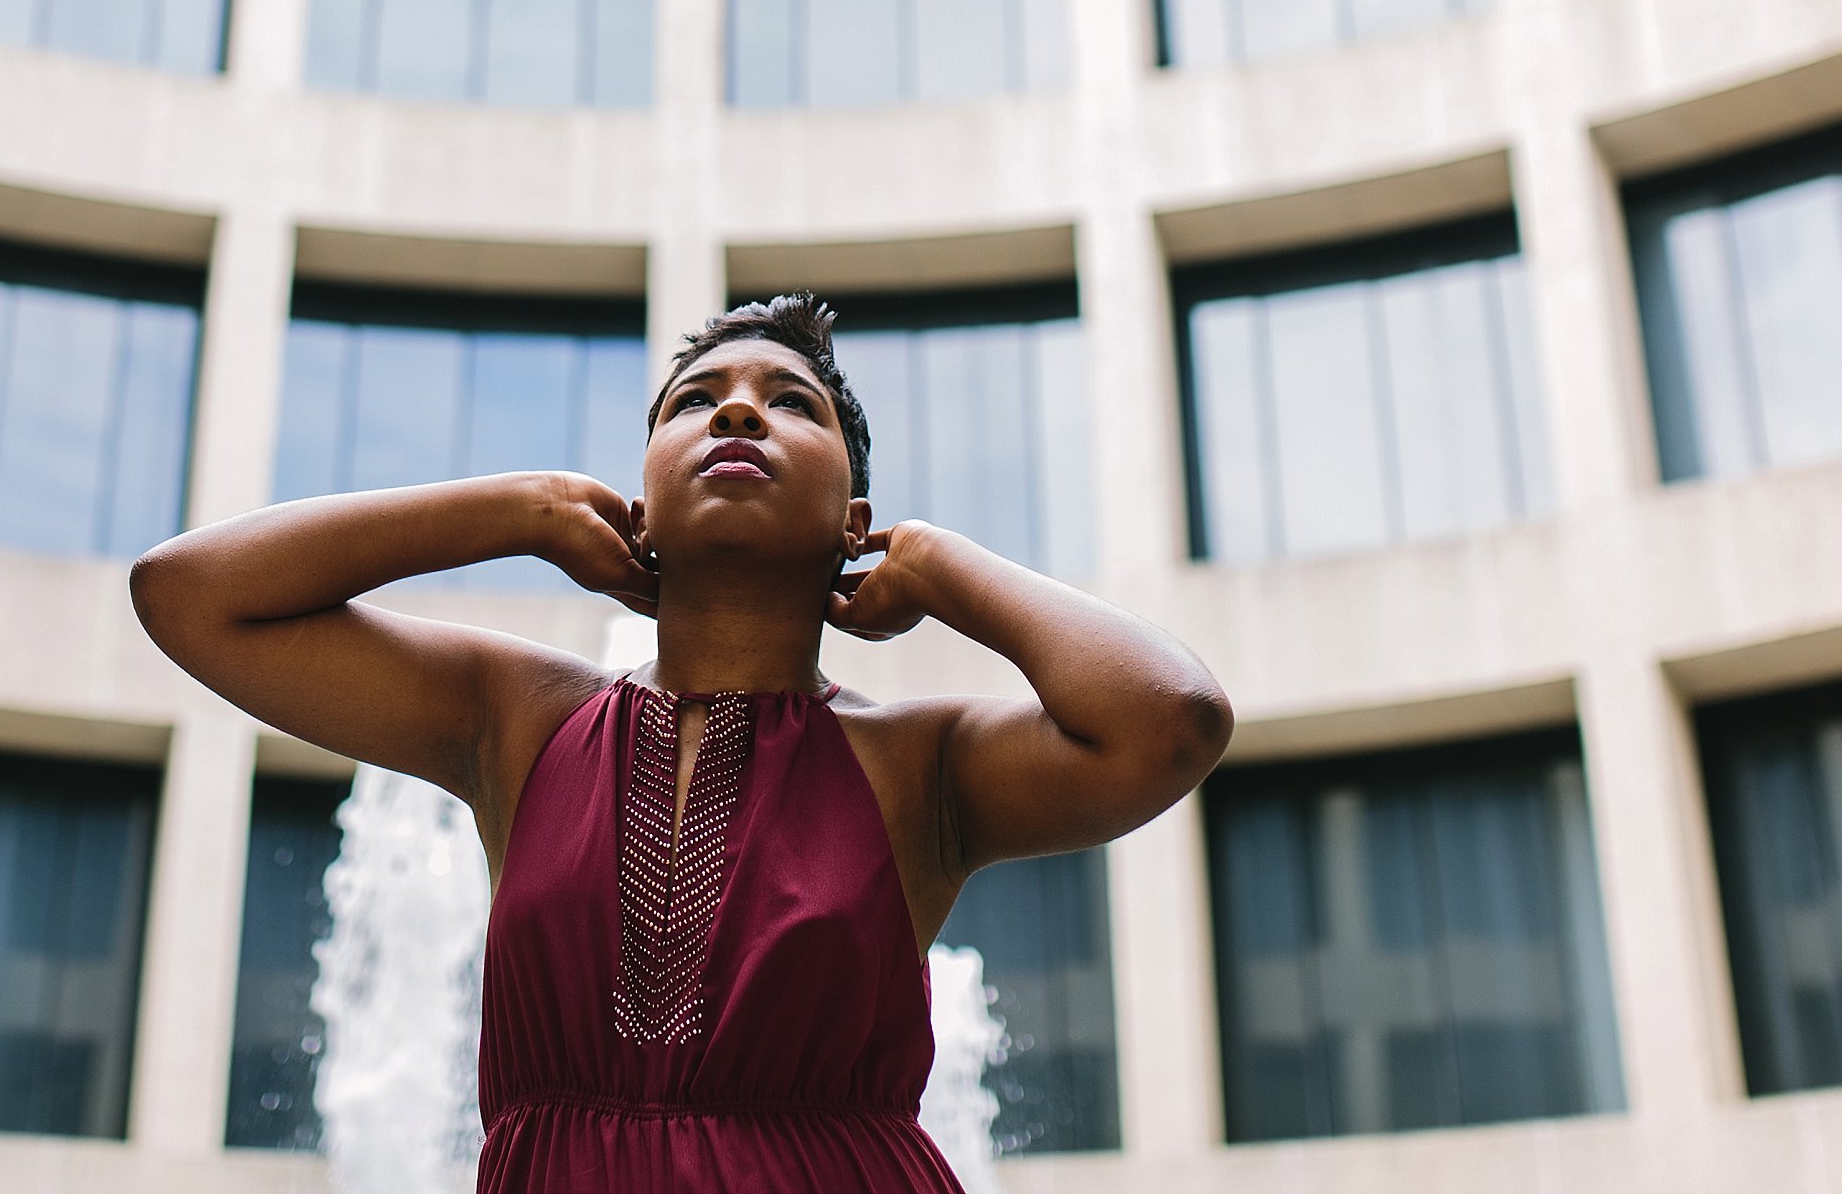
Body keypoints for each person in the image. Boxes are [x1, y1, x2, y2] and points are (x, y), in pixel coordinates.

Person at [133, 293, 1232, 1192]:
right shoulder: (513, 720)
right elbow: (188, 595)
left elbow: (1169, 718)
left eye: (788, 403)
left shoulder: (920, 767)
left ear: (855, 519)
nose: (737, 415)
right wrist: (517, 509)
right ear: (639, 507)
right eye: (694, 402)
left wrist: (939, 566)